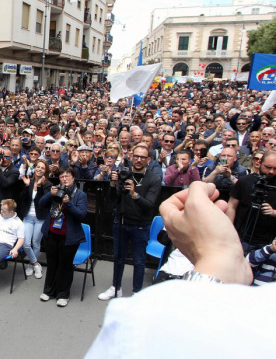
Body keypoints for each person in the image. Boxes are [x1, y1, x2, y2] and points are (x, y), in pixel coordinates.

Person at [87, 182, 270, 358]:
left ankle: (135, 290)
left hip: (186, 282)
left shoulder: (137, 317)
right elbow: (162, 238)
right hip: (172, 273)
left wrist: (219, 256)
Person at [99, 145, 162, 300]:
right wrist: (113, 185)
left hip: (141, 225)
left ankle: (137, 293)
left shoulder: (154, 178)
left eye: (143, 157)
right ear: (131, 157)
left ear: (148, 160)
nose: (139, 160)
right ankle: (116, 287)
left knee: (139, 260)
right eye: (136, 156)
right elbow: (112, 200)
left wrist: (134, 194)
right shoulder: (123, 173)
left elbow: (150, 205)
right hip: (120, 221)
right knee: (118, 257)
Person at [37, 167, 88, 307]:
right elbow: (41, 205)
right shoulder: (55, 190)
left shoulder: (80, 195)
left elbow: (81, 215)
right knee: (52, 263)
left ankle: (63, 294)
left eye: (67, 176)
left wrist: (68, 204)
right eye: (62, 177)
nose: (64, 179)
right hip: (52, 233)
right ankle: (48, 291)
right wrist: (50, 195)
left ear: (73, 177)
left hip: (69, 236)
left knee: (65, 265)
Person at [226, 151, 276, 250]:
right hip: (242, 237)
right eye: (268, 167)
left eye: (275, 169)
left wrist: (274, 212)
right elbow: (231, 206)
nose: (271, 172)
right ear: (259, 163)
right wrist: (229, 231)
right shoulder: (245, 181)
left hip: (269, 241)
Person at [18, 160, 52, 279]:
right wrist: (28, 186)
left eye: (43, 168)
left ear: (45, 171)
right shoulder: (28, 181)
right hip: (27, 217)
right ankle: (35, 263)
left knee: (36, 243)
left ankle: (30, 264)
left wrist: (39, 187)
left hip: (40, 218)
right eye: (38, 167)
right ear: (35, 168)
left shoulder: (48, 185)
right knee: (26, 243)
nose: (39, 169)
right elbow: (22, 199)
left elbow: (43, 202)